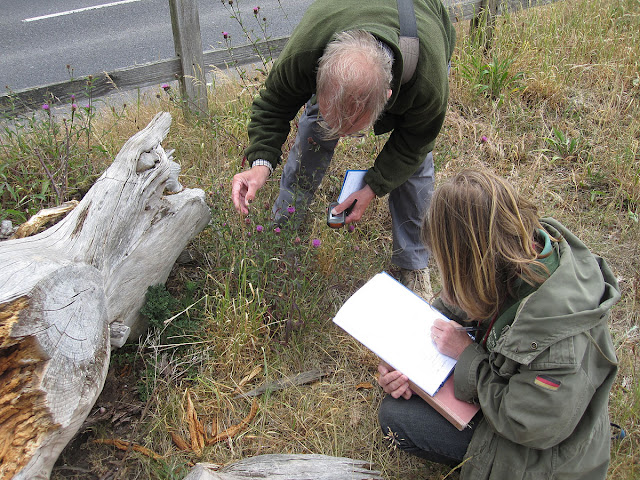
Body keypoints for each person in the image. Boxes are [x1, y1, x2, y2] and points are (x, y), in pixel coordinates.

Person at [377, 169, 620, 479]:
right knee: (395, 410)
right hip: (510, 393)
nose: (443, 274)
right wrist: (401, 361)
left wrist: (467, 356)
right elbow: (453, 308)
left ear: (472, 261)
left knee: (398, 418)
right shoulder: (510, 252)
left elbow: (528, 426)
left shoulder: (559, 338)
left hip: (540, 454)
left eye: (449, 264)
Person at [231, 0, 456, 298]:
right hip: (339, 22)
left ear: (388, 98)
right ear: (317, 77)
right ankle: (281, 232)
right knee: (315, 133)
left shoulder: (428, 79)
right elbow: (274, 103)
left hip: (419, 26)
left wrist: (374, 187)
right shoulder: (307, 51)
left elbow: (415, 141)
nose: (342, 137)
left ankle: (413, 264)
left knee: (415, 164)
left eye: (351, 129)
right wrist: (260, 163)